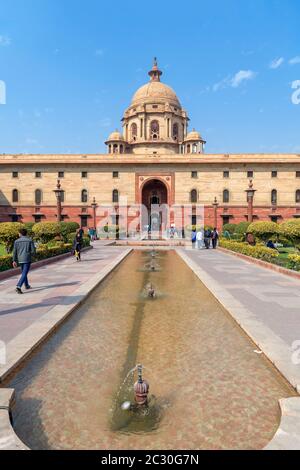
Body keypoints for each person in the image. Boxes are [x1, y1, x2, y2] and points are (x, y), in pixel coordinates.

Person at [13, 228, 36, 294]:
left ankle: (27, 285)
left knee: (24, 272)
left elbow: (14, 252)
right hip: (27, 259)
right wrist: (34, 256)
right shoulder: (29, 240)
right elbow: (33, 251)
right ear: (26, 233)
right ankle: (18, 286)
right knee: (24, 273)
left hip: (20, 259)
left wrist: (14, 260)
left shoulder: (16, 241)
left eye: (18, 233)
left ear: (20, 234)